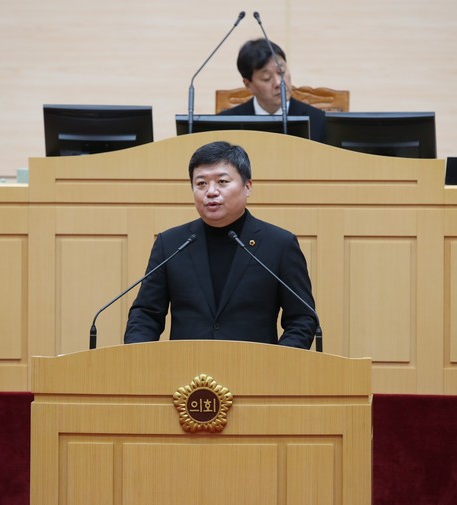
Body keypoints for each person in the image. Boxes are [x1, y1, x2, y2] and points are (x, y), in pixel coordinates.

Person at [123, 141, 317, 349]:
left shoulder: (279, 244)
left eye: (222, 181)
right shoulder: (170, 243)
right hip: (186, 367)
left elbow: (302, 318)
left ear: (247, 187)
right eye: (201, 184)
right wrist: (138, 357)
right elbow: (145, 314)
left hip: (255, 367)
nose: (211, 192)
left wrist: (278, 362)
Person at [220, 39, 327, 143]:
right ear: (248, 84)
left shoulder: (317, 119)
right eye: (266, 78)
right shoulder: (227, 124)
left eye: (281, 72)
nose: (278, 83)